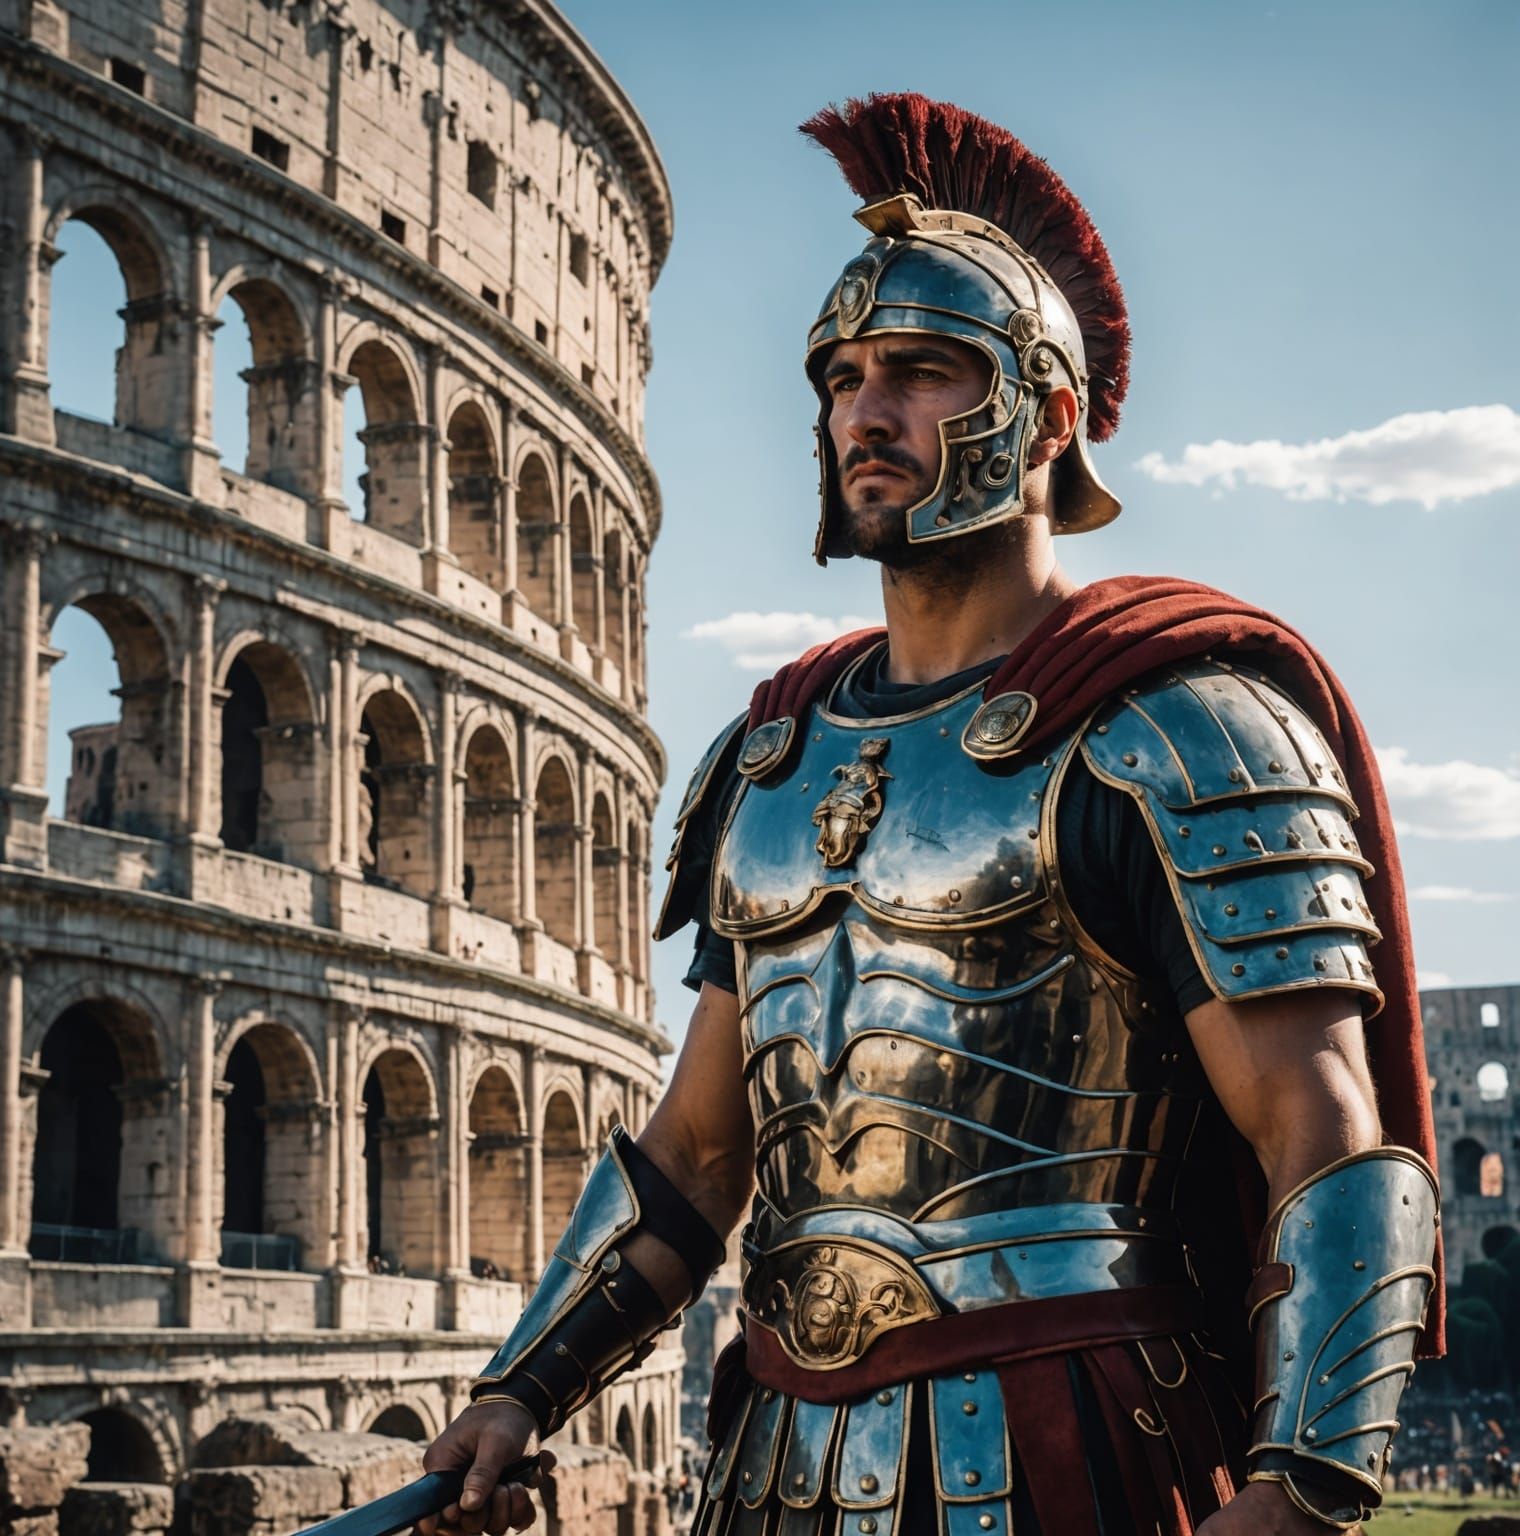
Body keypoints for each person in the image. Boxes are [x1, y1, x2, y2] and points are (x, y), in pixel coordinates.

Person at [418, 93, 1443, 1536]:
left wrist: (1302, 1485)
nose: (866, 411)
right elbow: (703, 1155)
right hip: (778, 1453)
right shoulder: (768, 758)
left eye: (926, 371)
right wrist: (524, 1385)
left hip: (1074, 1430)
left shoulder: (1174, 728)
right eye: (842, 376)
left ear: (1048, 413)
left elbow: (1321, 1136)